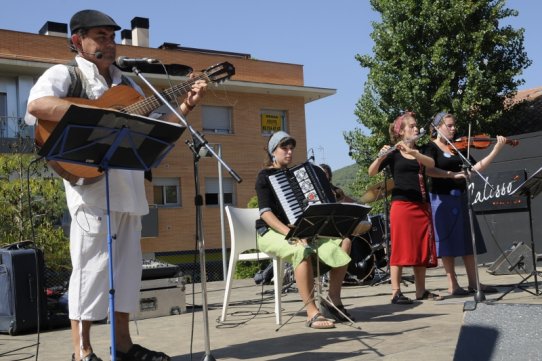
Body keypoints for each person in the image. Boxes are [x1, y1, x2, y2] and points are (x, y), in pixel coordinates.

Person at [25, 9, 207, 361]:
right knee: (91, 268)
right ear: (78, 40)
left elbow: (158, 125)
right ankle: (82, 351)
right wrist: (98, 115)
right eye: (102, 37)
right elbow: (38, 105)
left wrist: (185, 104)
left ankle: (122, 346)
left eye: (113, 37)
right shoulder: (66, 73)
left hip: (130, 188)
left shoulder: (130, 84)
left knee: (127, 272)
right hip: (90, 187)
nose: (111, 43)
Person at [254, 131, 353, 328]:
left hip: (301, 230)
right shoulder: (264, 177)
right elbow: (266, 214)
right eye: (284, 148)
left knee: (345, 240)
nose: (289, 152)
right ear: (273, 151)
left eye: (291, 149)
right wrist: (291, 233)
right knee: (301, 249)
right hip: (271, 232)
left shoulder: (299, 174)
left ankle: (332, 301)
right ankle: (312, 312)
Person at [423, 112, 506, 296]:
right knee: (447, 242)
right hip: (441, 199)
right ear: (437, 127)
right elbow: (429, 170)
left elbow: (475, 168)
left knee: (469, 241)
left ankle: (474, 282)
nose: (453, 129)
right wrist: (451, 175)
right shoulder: (430, 147)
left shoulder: (457, 148)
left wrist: (496, 150)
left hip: (461, 196)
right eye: (449, 126)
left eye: (454, 126)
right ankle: (452, 284)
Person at [368, 112, 443, 304]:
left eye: (416, 126)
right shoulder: (393, 153)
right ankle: (396, 292)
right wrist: (380, 156)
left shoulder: (422, 150)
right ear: (401, 132)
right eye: (411, 126)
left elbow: (431, 163)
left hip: (421, 204)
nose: (416, 128)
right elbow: (371, 172)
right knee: (399, 247)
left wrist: (413, 152)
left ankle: (421, 291)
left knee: (421, 248)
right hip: (402, 205)